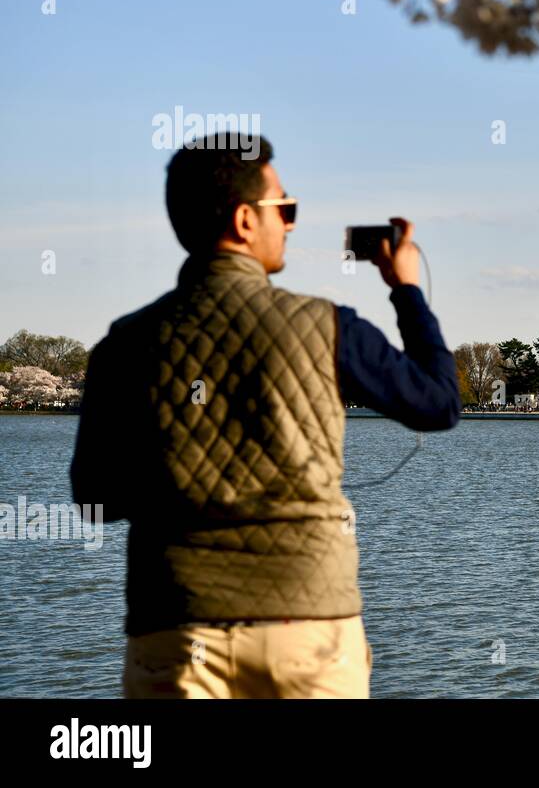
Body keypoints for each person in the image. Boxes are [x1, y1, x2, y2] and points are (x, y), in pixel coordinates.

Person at [68, 133, 460, 699]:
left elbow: (94, 499)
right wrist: (406, 291)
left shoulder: (124, 344)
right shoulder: (328, 326)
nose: (292, 224)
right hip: (309, 629)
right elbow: (438, 404)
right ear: (246, 221)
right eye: (286, 209)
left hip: (177, 628)